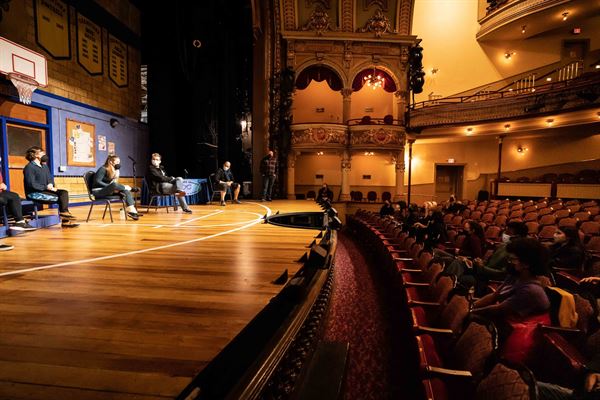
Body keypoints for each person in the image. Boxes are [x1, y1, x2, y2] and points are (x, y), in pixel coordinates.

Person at [23, 146, 78, 227]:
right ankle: (65, 219)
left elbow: (50, 178)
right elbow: (31, 184)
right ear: (36, 155)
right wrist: (46, 187)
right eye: (42, 153)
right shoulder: (29, 167)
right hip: (34, 193)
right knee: (60, 199)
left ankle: (64, 214)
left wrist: (50, 184)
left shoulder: (44, 166)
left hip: (46, 189)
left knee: (63, 193)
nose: (45, 154)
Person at [93, 155, 140, 220]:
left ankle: (132, 211)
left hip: (107, 190)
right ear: (111, 162)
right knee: (115, 185)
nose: (118, 163)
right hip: (98, 191)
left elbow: (113, 184)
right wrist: (110, 187)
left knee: (125, 191)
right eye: (117, 162)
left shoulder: (113, 170)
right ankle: (131, 188)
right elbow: (97, 181)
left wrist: (116, 175)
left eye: (119, 162)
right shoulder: (103, 169)